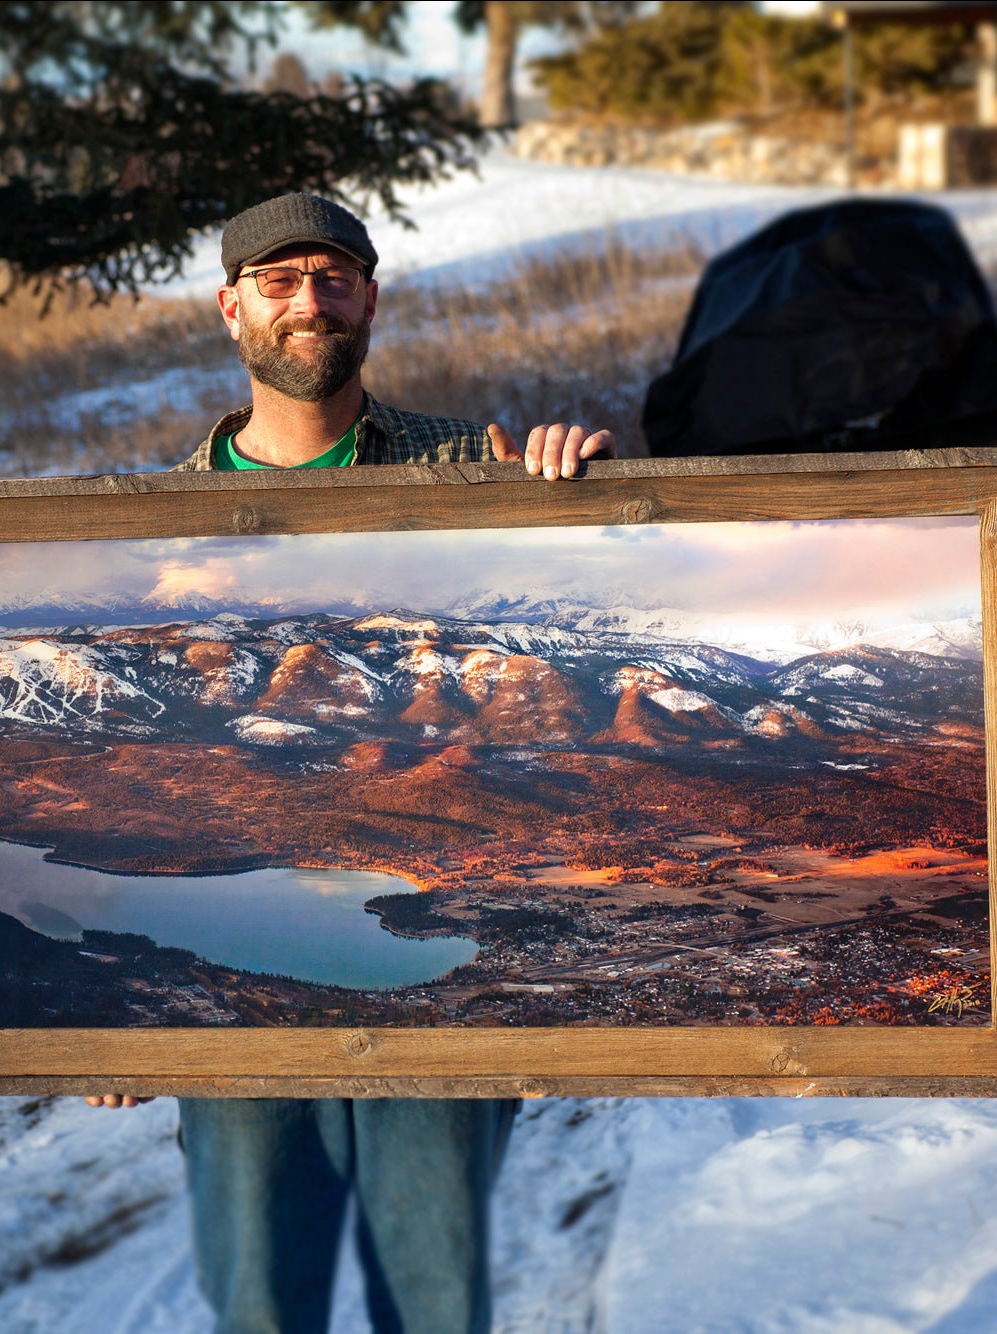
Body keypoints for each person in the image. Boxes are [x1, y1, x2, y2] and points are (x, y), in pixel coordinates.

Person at [84, 192, 613, 1334]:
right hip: (228, 959)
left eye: (332, 276)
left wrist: (597, 503)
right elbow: (132, 777)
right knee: (262, 1302)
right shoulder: (148, 531)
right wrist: (109, 1002)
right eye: (278, 280)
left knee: (430, 1299)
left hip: (435, 952)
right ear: (230, 307)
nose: (307, 300)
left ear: (370, 297)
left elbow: (589, 649)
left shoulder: (480, 470)